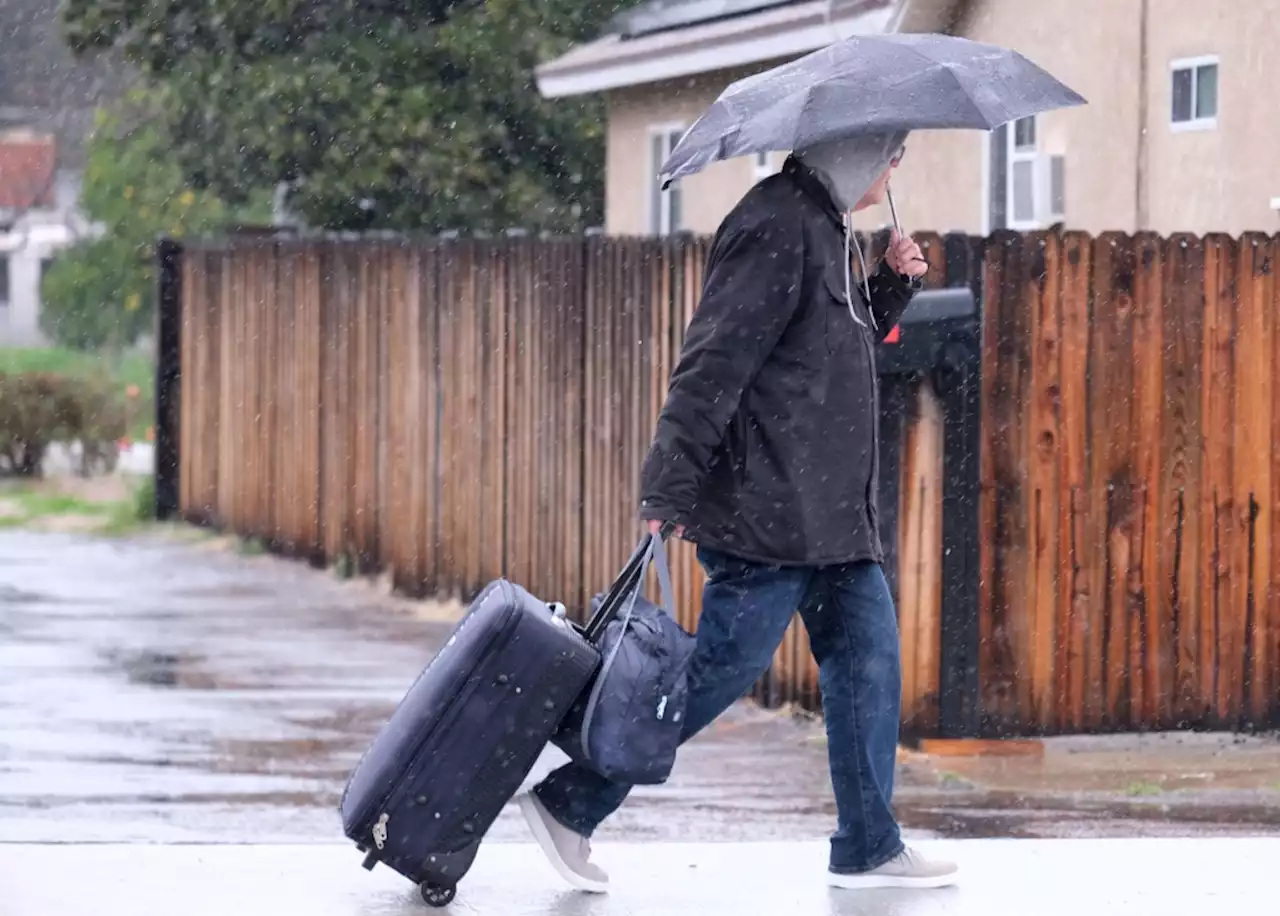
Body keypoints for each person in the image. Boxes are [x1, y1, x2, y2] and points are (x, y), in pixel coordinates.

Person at [517, 132, 960, 892]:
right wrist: (669, 482)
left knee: (868, 665)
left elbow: (828, 354)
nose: (893, 171)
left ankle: (869, 844)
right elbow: (713, 359)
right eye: (891, 155)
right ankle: (570, 801)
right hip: (770, 511)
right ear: (853, 153)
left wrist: (889, 286)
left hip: (832, 520)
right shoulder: (775, 224)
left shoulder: (825, 227)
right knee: (716, 671)